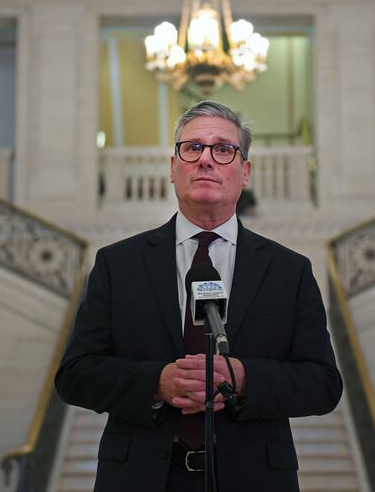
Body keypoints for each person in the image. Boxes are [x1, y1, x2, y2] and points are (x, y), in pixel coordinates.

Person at [55, 100, 342, 492]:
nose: (206, 159)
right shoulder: (117, 264)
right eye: (192, 148)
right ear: (174, 168)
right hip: (139, 477)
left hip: (255, 479)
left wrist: (243, 378)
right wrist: (156, 382)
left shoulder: (289, 271)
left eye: (223, 149)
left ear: (245, 173)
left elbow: (323, 383)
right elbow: (75, 375)